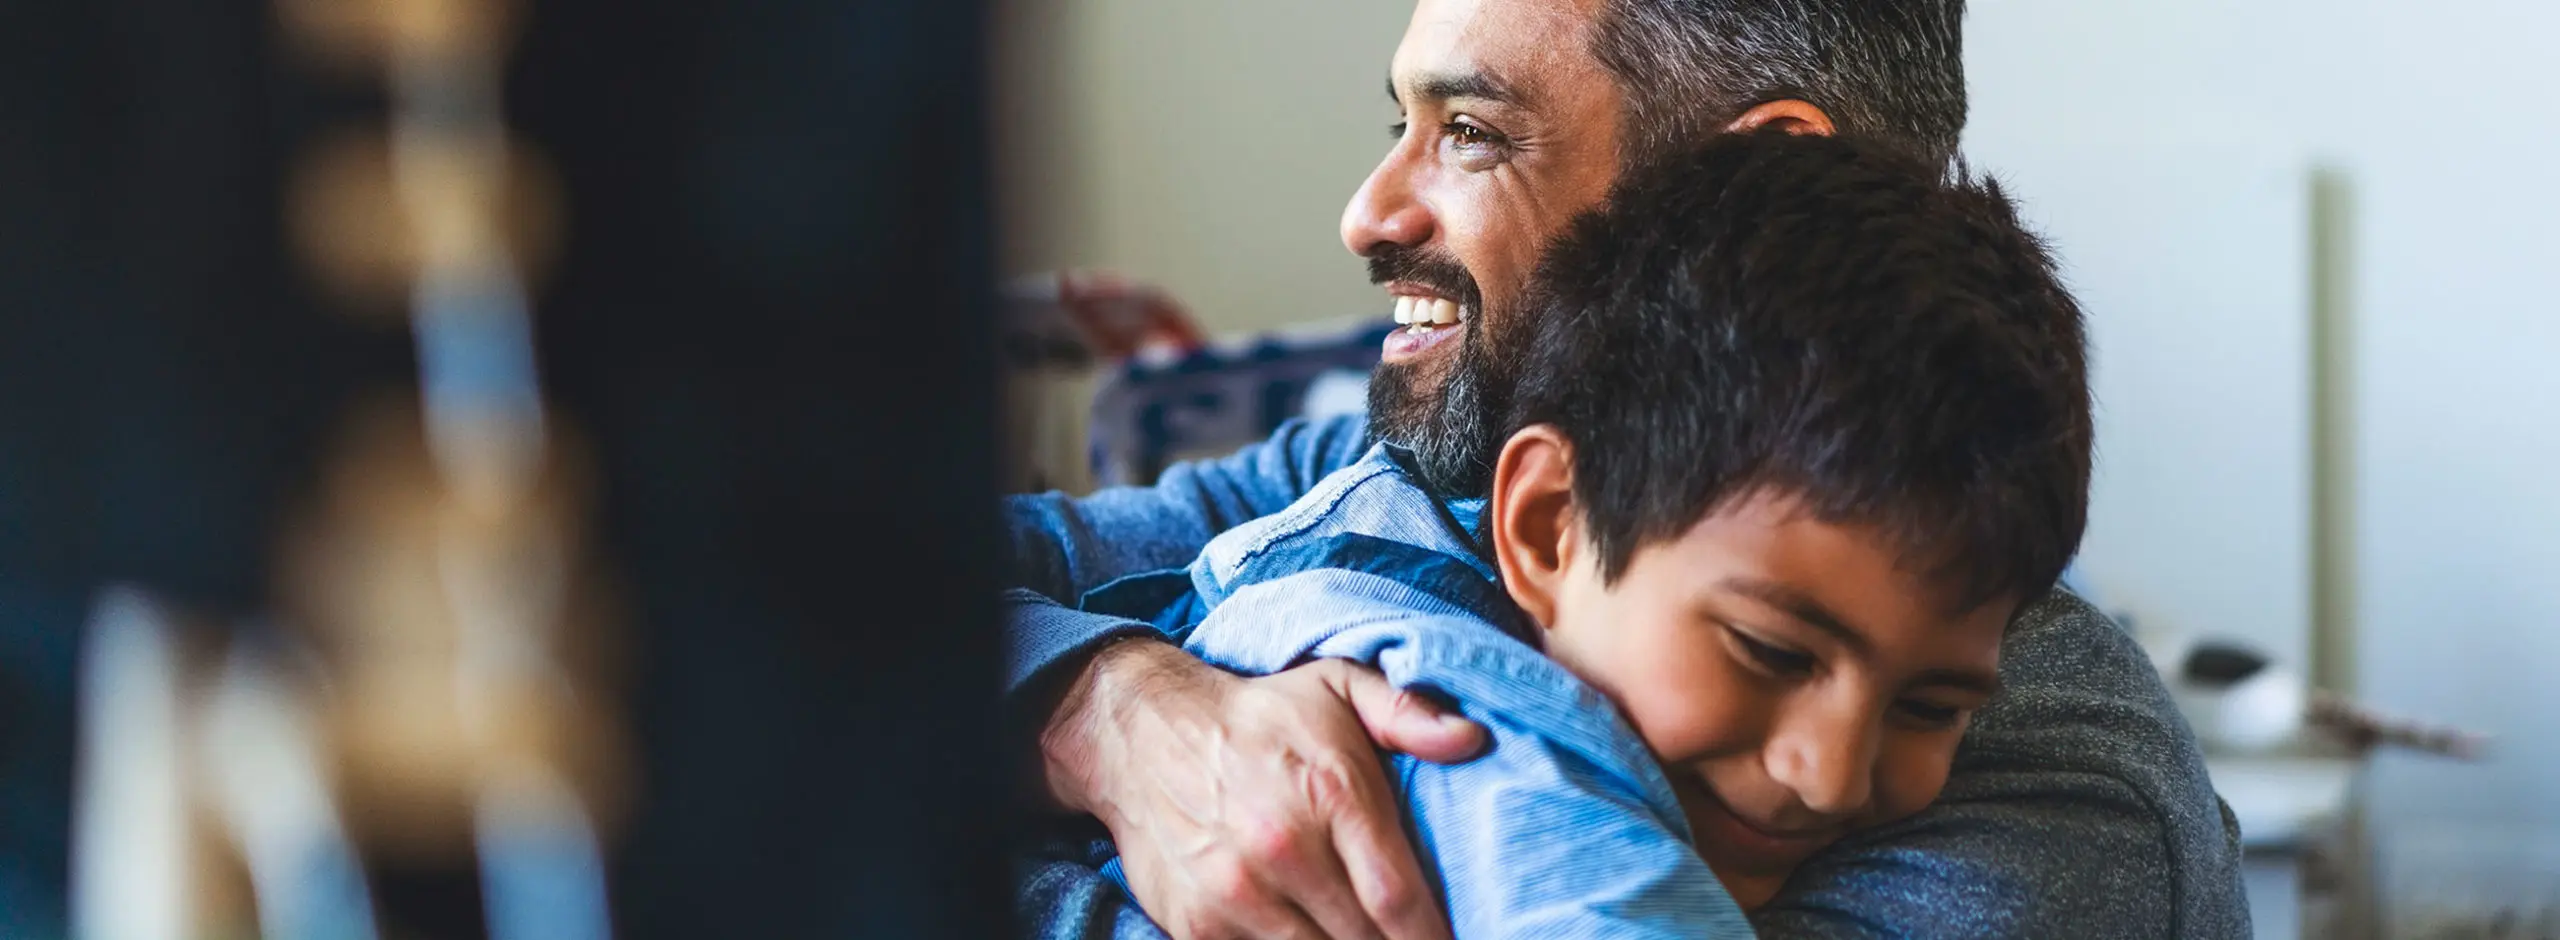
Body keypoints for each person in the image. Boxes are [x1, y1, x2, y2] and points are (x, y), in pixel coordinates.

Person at [1006, 0, 2249, 937]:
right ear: (1537, 519)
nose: (1369, 213)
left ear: (1749, 170)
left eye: (1473, 133)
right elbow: (857, 592)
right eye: (1405, 125)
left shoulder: (2050, 816)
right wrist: (1108, 710)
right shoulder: (1396, 474)